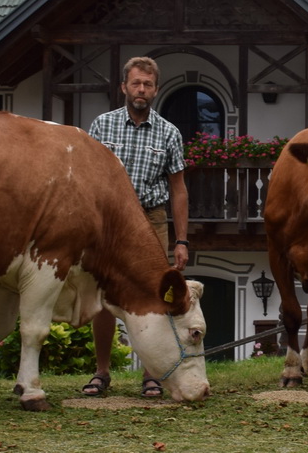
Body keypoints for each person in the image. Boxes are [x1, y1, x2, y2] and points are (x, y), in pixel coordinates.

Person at [82, 56, 190, 398]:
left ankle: (151, 376)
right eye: (135, 83)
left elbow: (178, 188)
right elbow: (88, 180)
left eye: (147, 84)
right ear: (124, 87)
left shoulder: (169, 132)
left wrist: (182, 240)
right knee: (103, 299)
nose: (141, 89)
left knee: (154, 297)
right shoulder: (102, 126)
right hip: (109, 225)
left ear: (156, 89)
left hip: (151, 220)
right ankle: (101, 372)